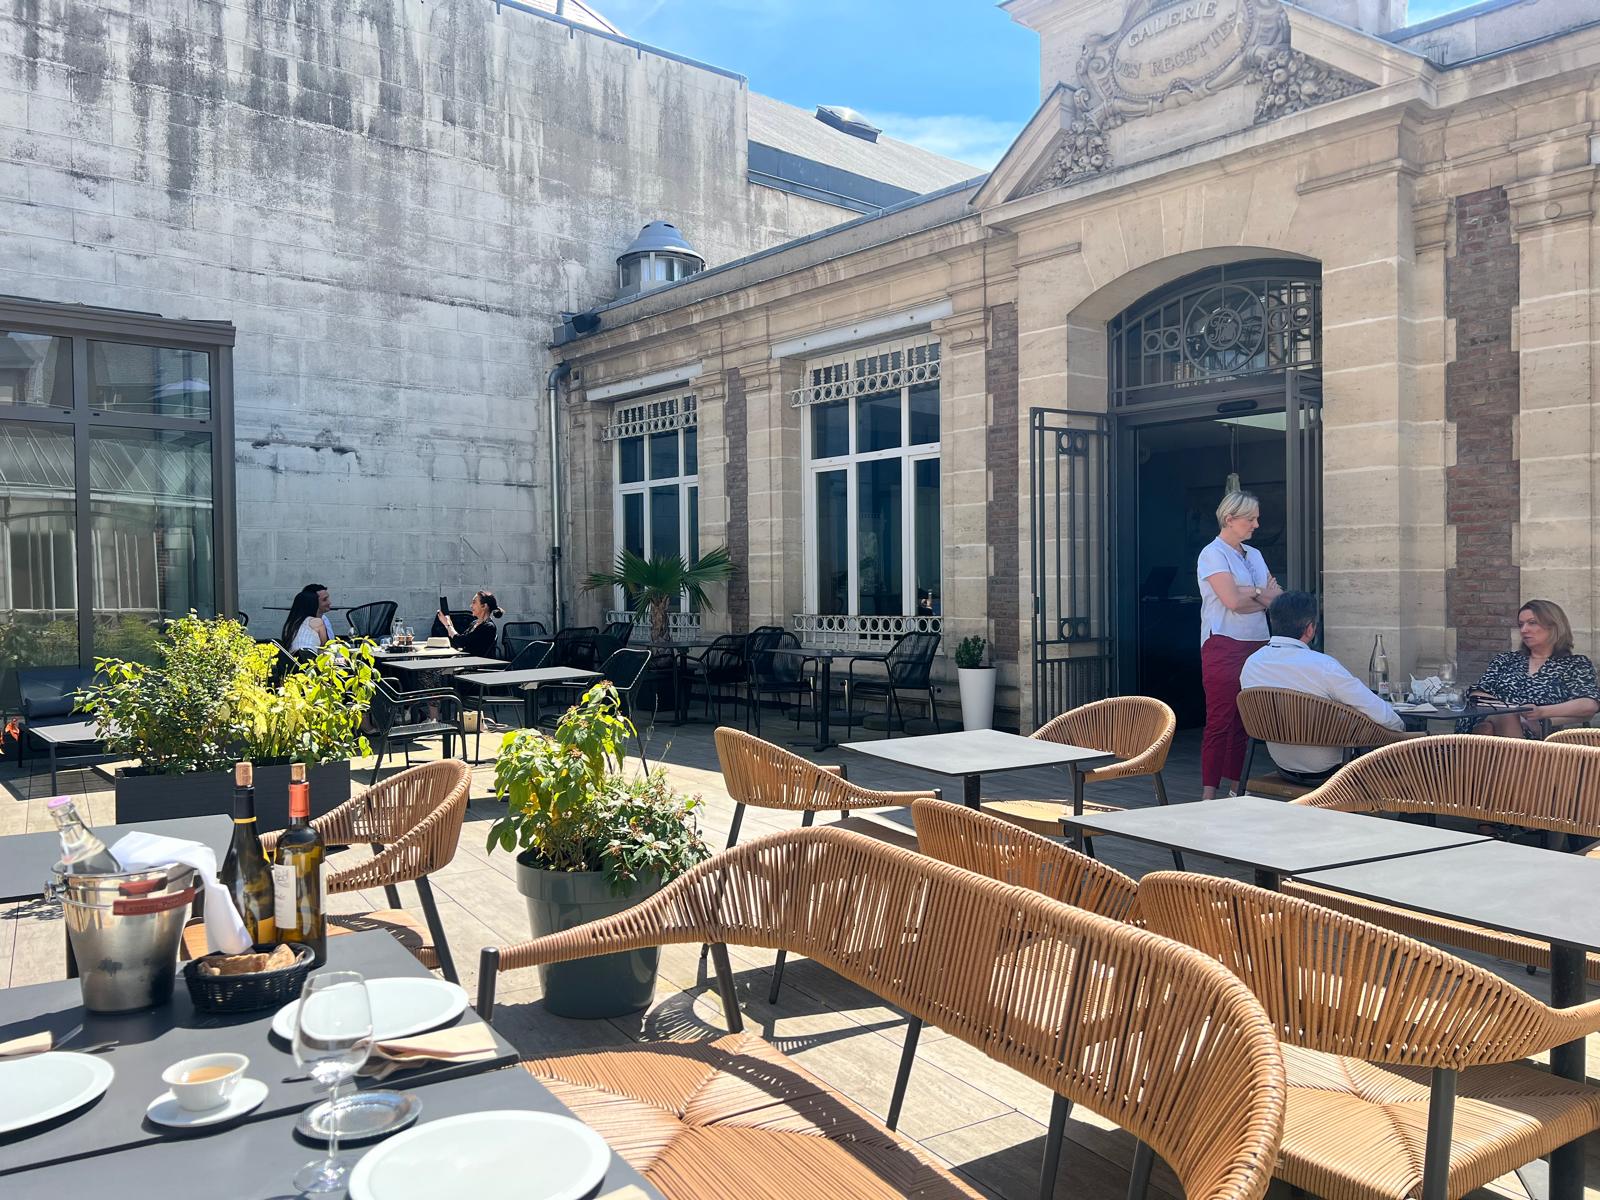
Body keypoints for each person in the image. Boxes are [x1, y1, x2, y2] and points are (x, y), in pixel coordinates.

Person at [1240, 591, 1405, 782]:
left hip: (1283, 766)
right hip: (1331, 770)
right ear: (1310, 629)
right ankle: (1412, 808)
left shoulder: (1252, 664)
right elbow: (1381, 714)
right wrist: (1402, 730)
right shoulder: (1323, 665)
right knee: (1410, 752)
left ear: (1272, 622)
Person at [1197, 490, 1282, 799]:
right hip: (1224, 644)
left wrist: (1253, 593)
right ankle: (1208, 797)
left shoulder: (1255, 555)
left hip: (1258, 645)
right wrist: (1261, 594)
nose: (1256, 525)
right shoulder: (1212, 554)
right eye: (1251, 519)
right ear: (1230, 519)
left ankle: (1236, 790)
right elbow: (1231, 601)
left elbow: (1278, 598)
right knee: (1220, 721)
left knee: (1245, 722)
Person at [1459, 599, 1599, 737]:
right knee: (1498, 720)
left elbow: (1588, 704)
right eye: (1521, 625)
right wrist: (1514, 713)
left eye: (1532, 623)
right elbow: (1477, 693)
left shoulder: (1574, 665)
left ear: (1554, 626)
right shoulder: (1506, 660)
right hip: (1493, 720)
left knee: (1491, 728)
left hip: (1541, 729)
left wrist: (1540, 712)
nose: (1524, 630)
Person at [438, 590, 503, 658]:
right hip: (464, 660)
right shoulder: (474, 623)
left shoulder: (488, 627)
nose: (471, 606)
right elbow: (459, 640)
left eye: (474, 602)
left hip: (473, 665)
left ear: (484, 606)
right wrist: (448, 623)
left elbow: (461, 642)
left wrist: (448, 624)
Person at [281, 583, 331, 652]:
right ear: (313, 603)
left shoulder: (290, 624)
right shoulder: (317, 622)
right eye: (324, 599)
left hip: (293, 660)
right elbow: (325, 647)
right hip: (309, 659)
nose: (330, 602)